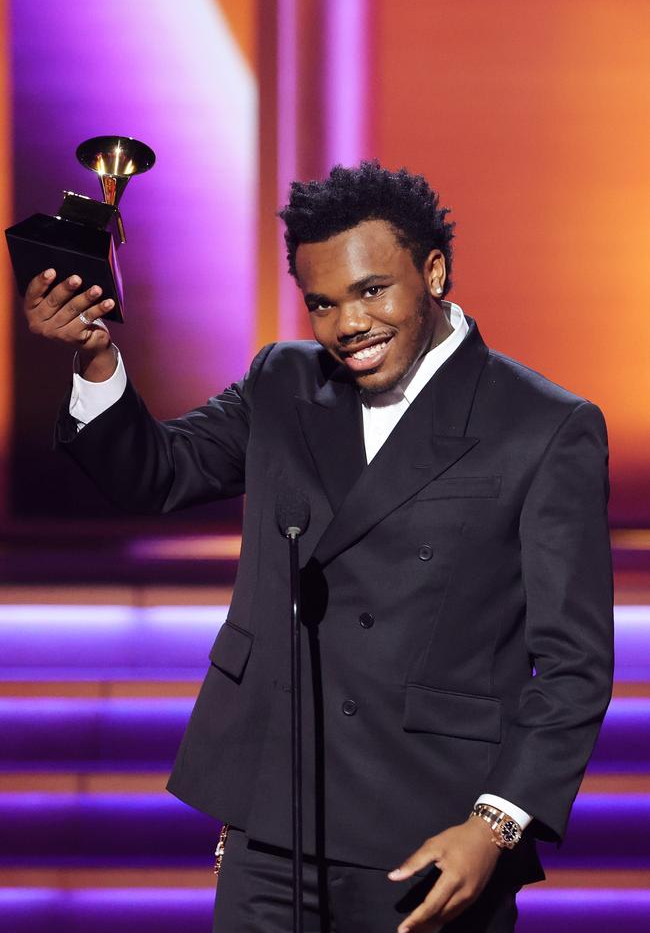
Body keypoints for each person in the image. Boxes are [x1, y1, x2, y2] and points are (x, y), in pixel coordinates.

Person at [23, 161, 614, 932]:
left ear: (434, 269)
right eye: (324, 304)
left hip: (430, 832)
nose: (348, 326)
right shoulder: (283, 382)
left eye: (373, 291)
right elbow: (155, 476)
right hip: (273, 814)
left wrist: (494, 826)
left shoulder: (543, 424)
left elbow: (574, 663)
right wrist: (96, 358)